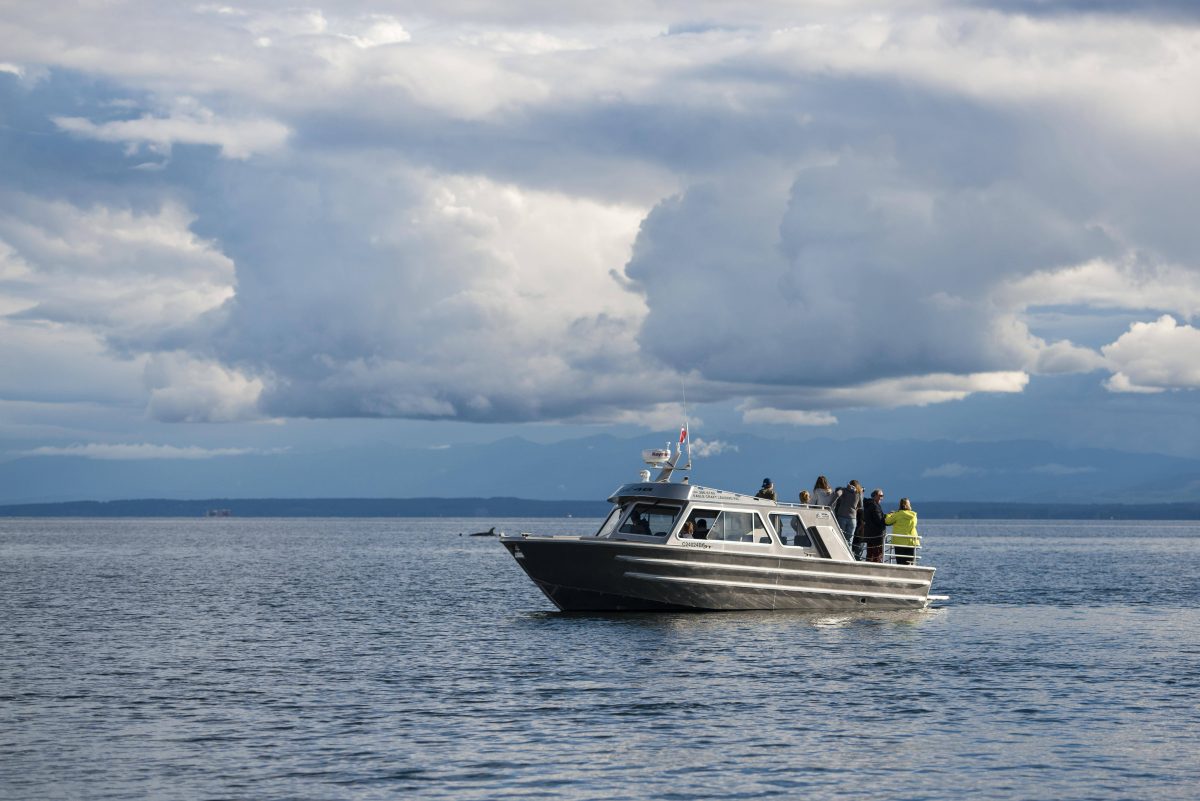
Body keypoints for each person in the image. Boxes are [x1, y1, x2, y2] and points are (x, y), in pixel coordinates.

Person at [885, 498, 920, 565]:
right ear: (908, 505)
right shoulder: (913, 515)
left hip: (899, 542)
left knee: (900, 562)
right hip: (911, 542)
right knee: (910, 563)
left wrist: (889, 515)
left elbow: (887, 521)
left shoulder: (897, 514)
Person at [832, 480, 862, 554]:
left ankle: (839, 553)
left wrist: (830, 505)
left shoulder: (844, 490)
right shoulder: (859, 492)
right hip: (852, 518)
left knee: (841, 537)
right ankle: (848, 555)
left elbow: (837, 494)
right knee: (849, 540)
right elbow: (861, 505)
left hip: (842, 516)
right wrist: (854, 508)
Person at [861, 488, 888, 563]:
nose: (882, 498)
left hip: (869, 534)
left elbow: (872, 517)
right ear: (875, 496)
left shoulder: (868, 504)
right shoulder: (875, 506)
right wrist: (888, 517)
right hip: (877, 535)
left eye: (882, 496)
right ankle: (876, 570)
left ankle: (867, 570)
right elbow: (879, 520)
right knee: (878, 555)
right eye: (881, 495)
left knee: (870, 554)